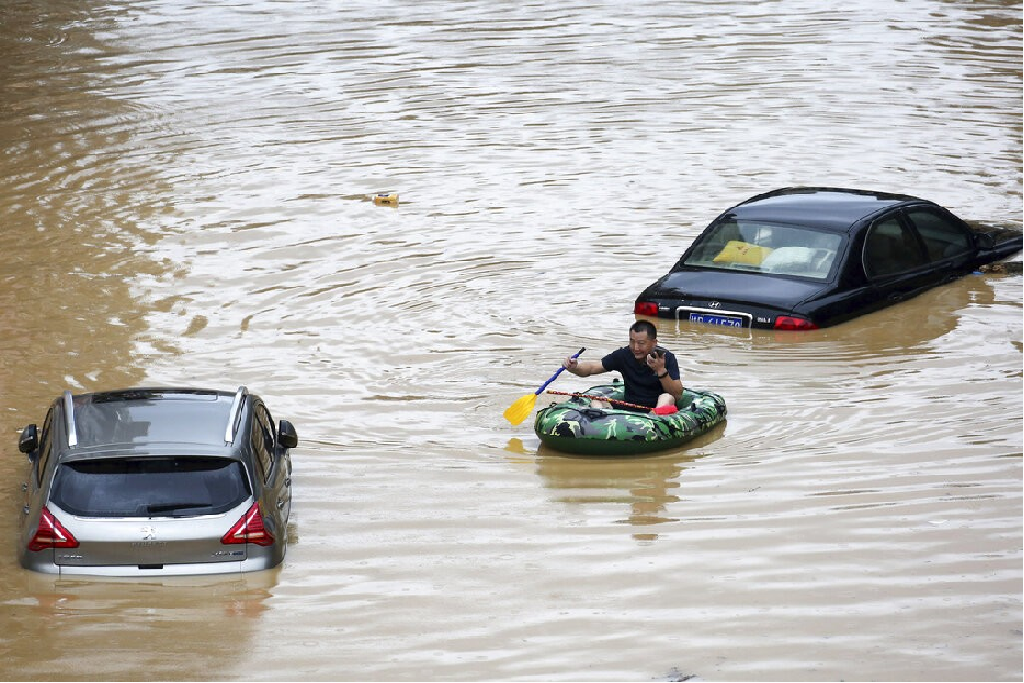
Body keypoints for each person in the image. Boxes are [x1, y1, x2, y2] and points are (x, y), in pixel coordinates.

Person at [562, 320, 683, 413]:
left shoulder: (666, 358)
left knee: (666, 398)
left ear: (654, 343)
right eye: (632, 341)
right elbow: (593, 367)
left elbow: (677, 394)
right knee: (597, 400)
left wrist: (660, 370)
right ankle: (601, 423)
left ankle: (654, 422)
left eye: (641, 343)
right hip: (629, 406)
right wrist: (575, 368)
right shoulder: (623, 355)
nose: (635, 348)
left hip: (656, 409)